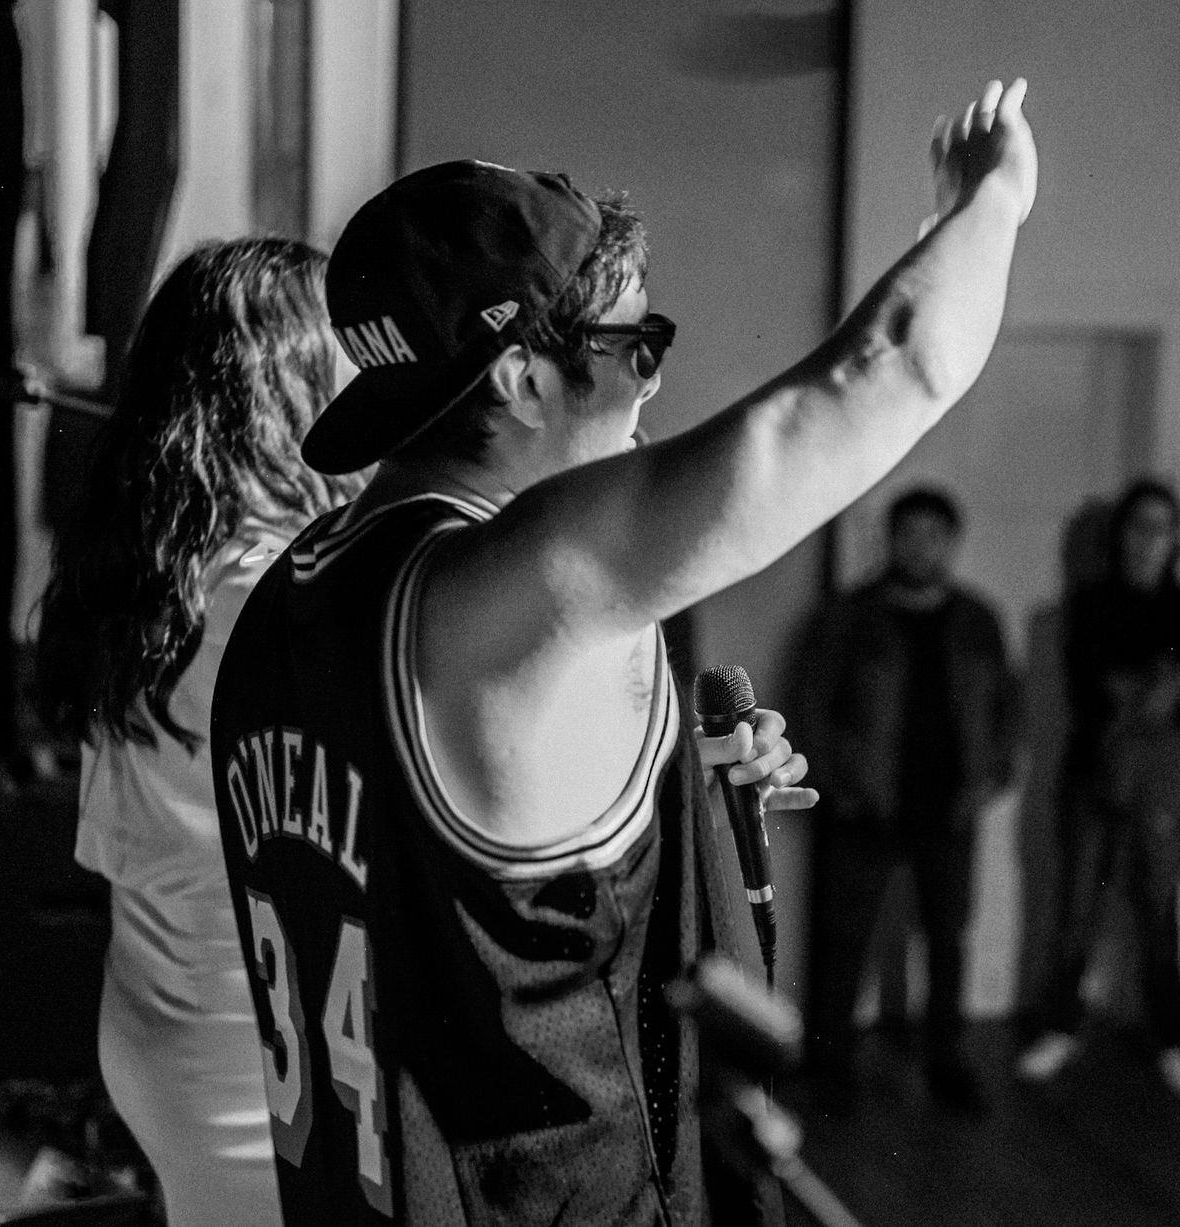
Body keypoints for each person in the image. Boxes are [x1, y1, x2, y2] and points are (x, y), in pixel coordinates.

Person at [209, 79, 1036, 1224]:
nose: (655, 379)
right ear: (523, 379)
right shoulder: (509, 586)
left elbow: (445, 889)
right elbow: (891, 370)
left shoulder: (287, 600)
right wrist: (990, 201)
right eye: (634, 344)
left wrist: (664, 790)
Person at [34, 237, 365, 1227]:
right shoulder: (273, 595)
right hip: (252, 1064)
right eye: (348, 363)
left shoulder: (158, 568)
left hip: (163, 1023)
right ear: (289, 392)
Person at [797, 487, 1013, 1115]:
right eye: (908, 534)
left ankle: (947, 1060)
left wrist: (989, 781)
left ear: (952, 543)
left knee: (948, 940)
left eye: (933, 536)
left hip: (951, 809)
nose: (920, 548)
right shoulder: (847, 616)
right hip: (866, 809)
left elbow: (1006, 708)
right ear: (890, 540)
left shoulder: (979, 620)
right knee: (844, 942)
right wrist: (840, 789)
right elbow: (811, 708)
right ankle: (830, 1067)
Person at [1016, 478, 1180, 1093]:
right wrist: (1159, 685)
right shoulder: (1088, 604)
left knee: (1158, 913)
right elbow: (1093, 691)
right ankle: (1060, 1027)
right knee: (1077, 910)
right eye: (1138, 525)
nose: (1147, 540)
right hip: (1092, 776)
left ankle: (1170, 1037)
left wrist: (1146, 692)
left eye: (1160, 528)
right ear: (1119, 535)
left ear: (1175, 538)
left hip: (1160, 784)